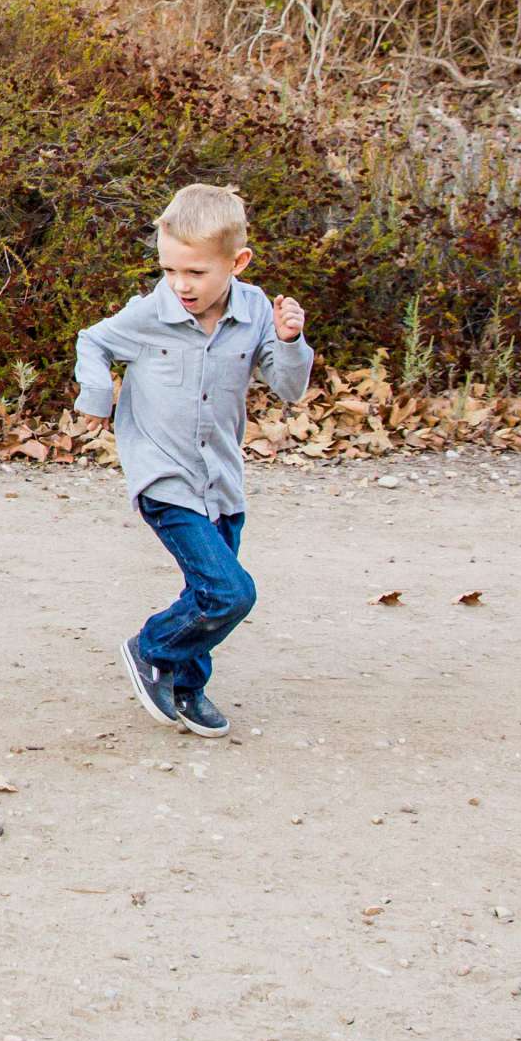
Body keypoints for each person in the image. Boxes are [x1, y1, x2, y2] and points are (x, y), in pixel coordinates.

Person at [76, 183, 313, 737]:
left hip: (222, 480)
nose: (181, 285)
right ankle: (151, 646)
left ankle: (187, 687)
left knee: (206, 592)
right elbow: (93, 341)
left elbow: (288, 388)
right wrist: (96, 396)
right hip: (165, 477)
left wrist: (291, 340)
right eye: (170, 270)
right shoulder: (148, 314)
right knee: (231, 591)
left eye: (197, 273)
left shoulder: (257, 311)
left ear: (238, 262)